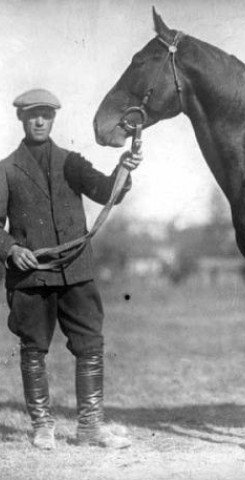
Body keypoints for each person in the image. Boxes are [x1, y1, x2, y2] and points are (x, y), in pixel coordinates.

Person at [0, 88, 142, 450]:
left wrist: (124, 168)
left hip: (76, 272)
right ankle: (42, 426)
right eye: (33, 114)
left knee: (90, 346)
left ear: (53, 118)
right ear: (21, 118)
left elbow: (107, 190)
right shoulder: (5, 170)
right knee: (33, 348)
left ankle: (90, 428)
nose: (39, 120)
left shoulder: (71, 163)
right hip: (31, 277)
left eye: (46, 114)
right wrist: (11, 248)